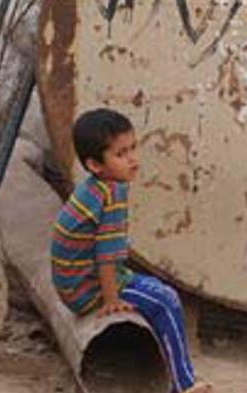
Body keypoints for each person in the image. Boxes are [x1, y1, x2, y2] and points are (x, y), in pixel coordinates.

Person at [51, 108, 212, 393]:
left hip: (74, 283)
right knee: (165, 301)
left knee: (155, 288)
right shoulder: (112, 194)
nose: (133, 159)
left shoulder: (94, 188)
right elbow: (106, 256)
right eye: (121, 154)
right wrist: (111, 300)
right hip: (87, 289)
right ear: (95, 165)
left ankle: (175, 374)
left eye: (133, 148)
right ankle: (184, 384)